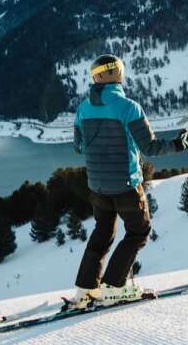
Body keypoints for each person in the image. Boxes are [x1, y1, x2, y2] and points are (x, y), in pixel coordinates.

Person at [68, 55, 173, 308]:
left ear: (98, 77)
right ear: (117, 74)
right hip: (126, 184)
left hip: (97, 186)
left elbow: (78, 146)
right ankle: (114, 287)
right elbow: (151, 147)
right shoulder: (129, 107)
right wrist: (181, 142)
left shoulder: (83, 109)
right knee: (139, 231)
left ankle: (85, 290)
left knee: (103, 232)